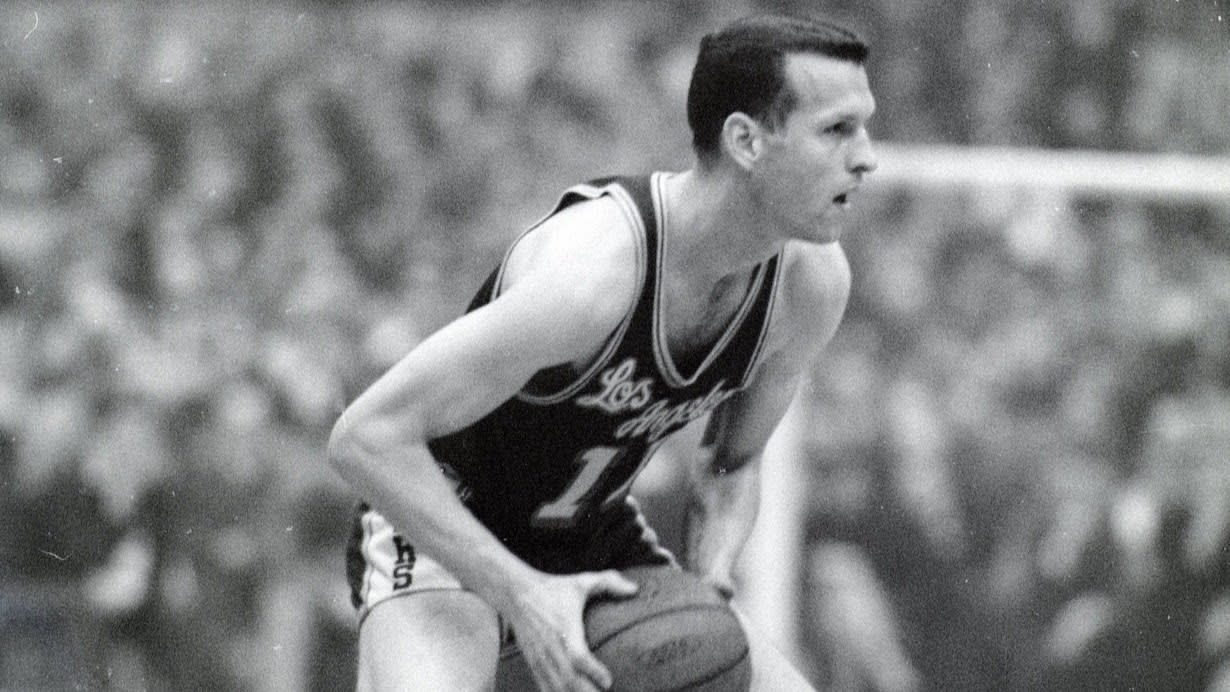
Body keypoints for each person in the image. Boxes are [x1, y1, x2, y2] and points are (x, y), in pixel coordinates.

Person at [328, 12, 878, 691]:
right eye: (836, 130)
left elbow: (733, 464)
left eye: (864, 126)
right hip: (441, 520)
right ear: (746, 140)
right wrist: (523, 594)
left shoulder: (813, 285)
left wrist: (710, 577)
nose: (866, 155)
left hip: (592, 532)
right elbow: (366, 438)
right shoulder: (595, 273)